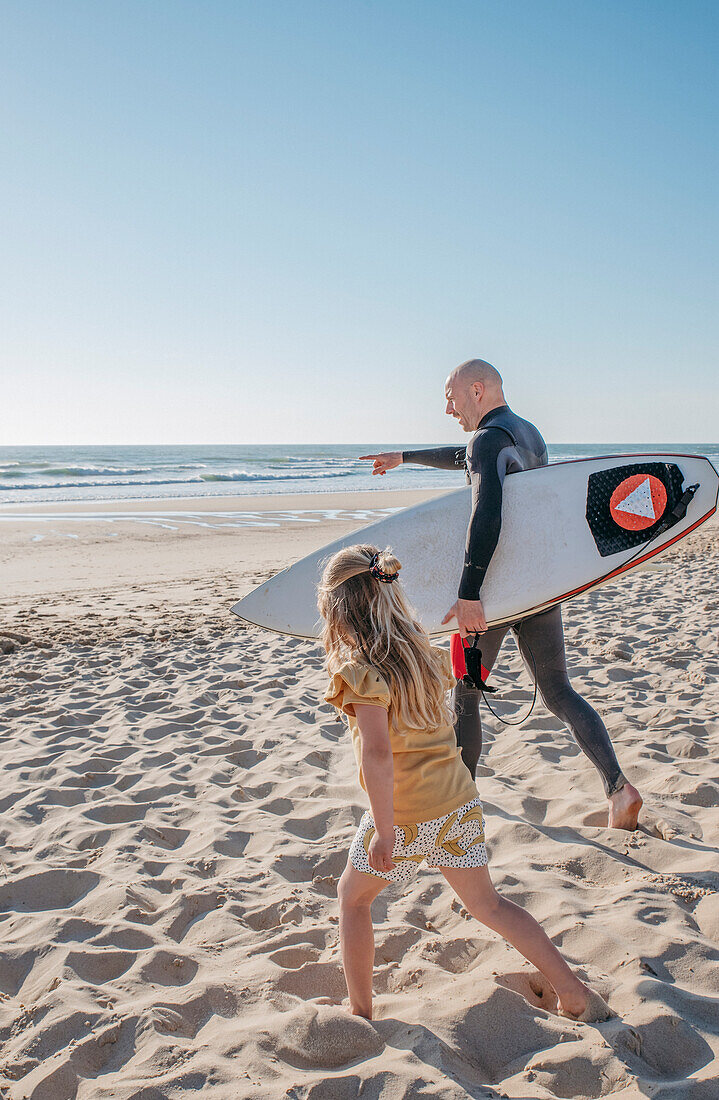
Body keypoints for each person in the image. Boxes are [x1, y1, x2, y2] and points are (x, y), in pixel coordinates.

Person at [318, 543, 611, 1023]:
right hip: (457, 803)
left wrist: (387, 831)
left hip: (405, 815)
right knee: (489, 905)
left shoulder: (358, 670)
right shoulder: (424, 654)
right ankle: (572, 991)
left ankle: (360, 1010)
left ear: (337, 609)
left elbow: (377, 753)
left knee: (353, 900)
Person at [360, 358, 642, 830]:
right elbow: (468, 454)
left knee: (466, 696)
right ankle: (618, 788)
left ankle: (456, 809)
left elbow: (485, 512)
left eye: (450, 396)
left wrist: (469, 593)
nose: (447, 407)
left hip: (491, 593)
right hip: (536, 586)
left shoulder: (489, 439)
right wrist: (404, 458)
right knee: (558, 691)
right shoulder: (527, 434)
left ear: (476, 389)